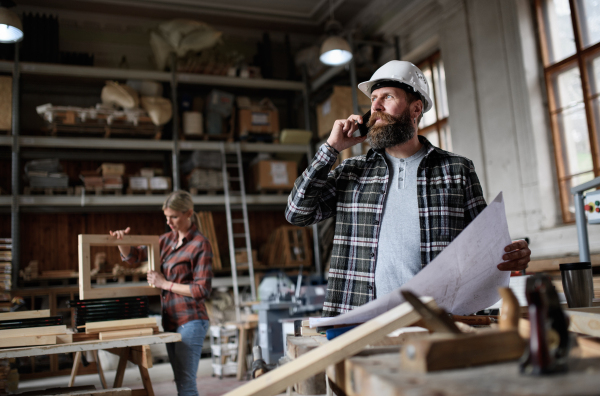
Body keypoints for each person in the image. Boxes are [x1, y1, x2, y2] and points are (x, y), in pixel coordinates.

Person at [285, 60, 531, 318]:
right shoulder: (352, 171)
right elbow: (297, 212)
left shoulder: (457, 170)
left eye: (387, 97)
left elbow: (485, 246)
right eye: (373, 100)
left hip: (439, 320)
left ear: (415, 109)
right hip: (362, 322)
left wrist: (513, 254)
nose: (376, 107)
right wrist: (331, 150)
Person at [110, 190, 212, 396]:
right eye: (166, 217)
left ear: (188, 213)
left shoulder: (200, 244)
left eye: (174, 216)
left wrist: (164, 283)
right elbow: (134, 256)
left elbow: (201, 290)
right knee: (181, 382)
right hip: (172, 320)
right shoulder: (165, 241)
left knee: (186, 384)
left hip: (191, 321)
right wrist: (122, 241)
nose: (169, 222)